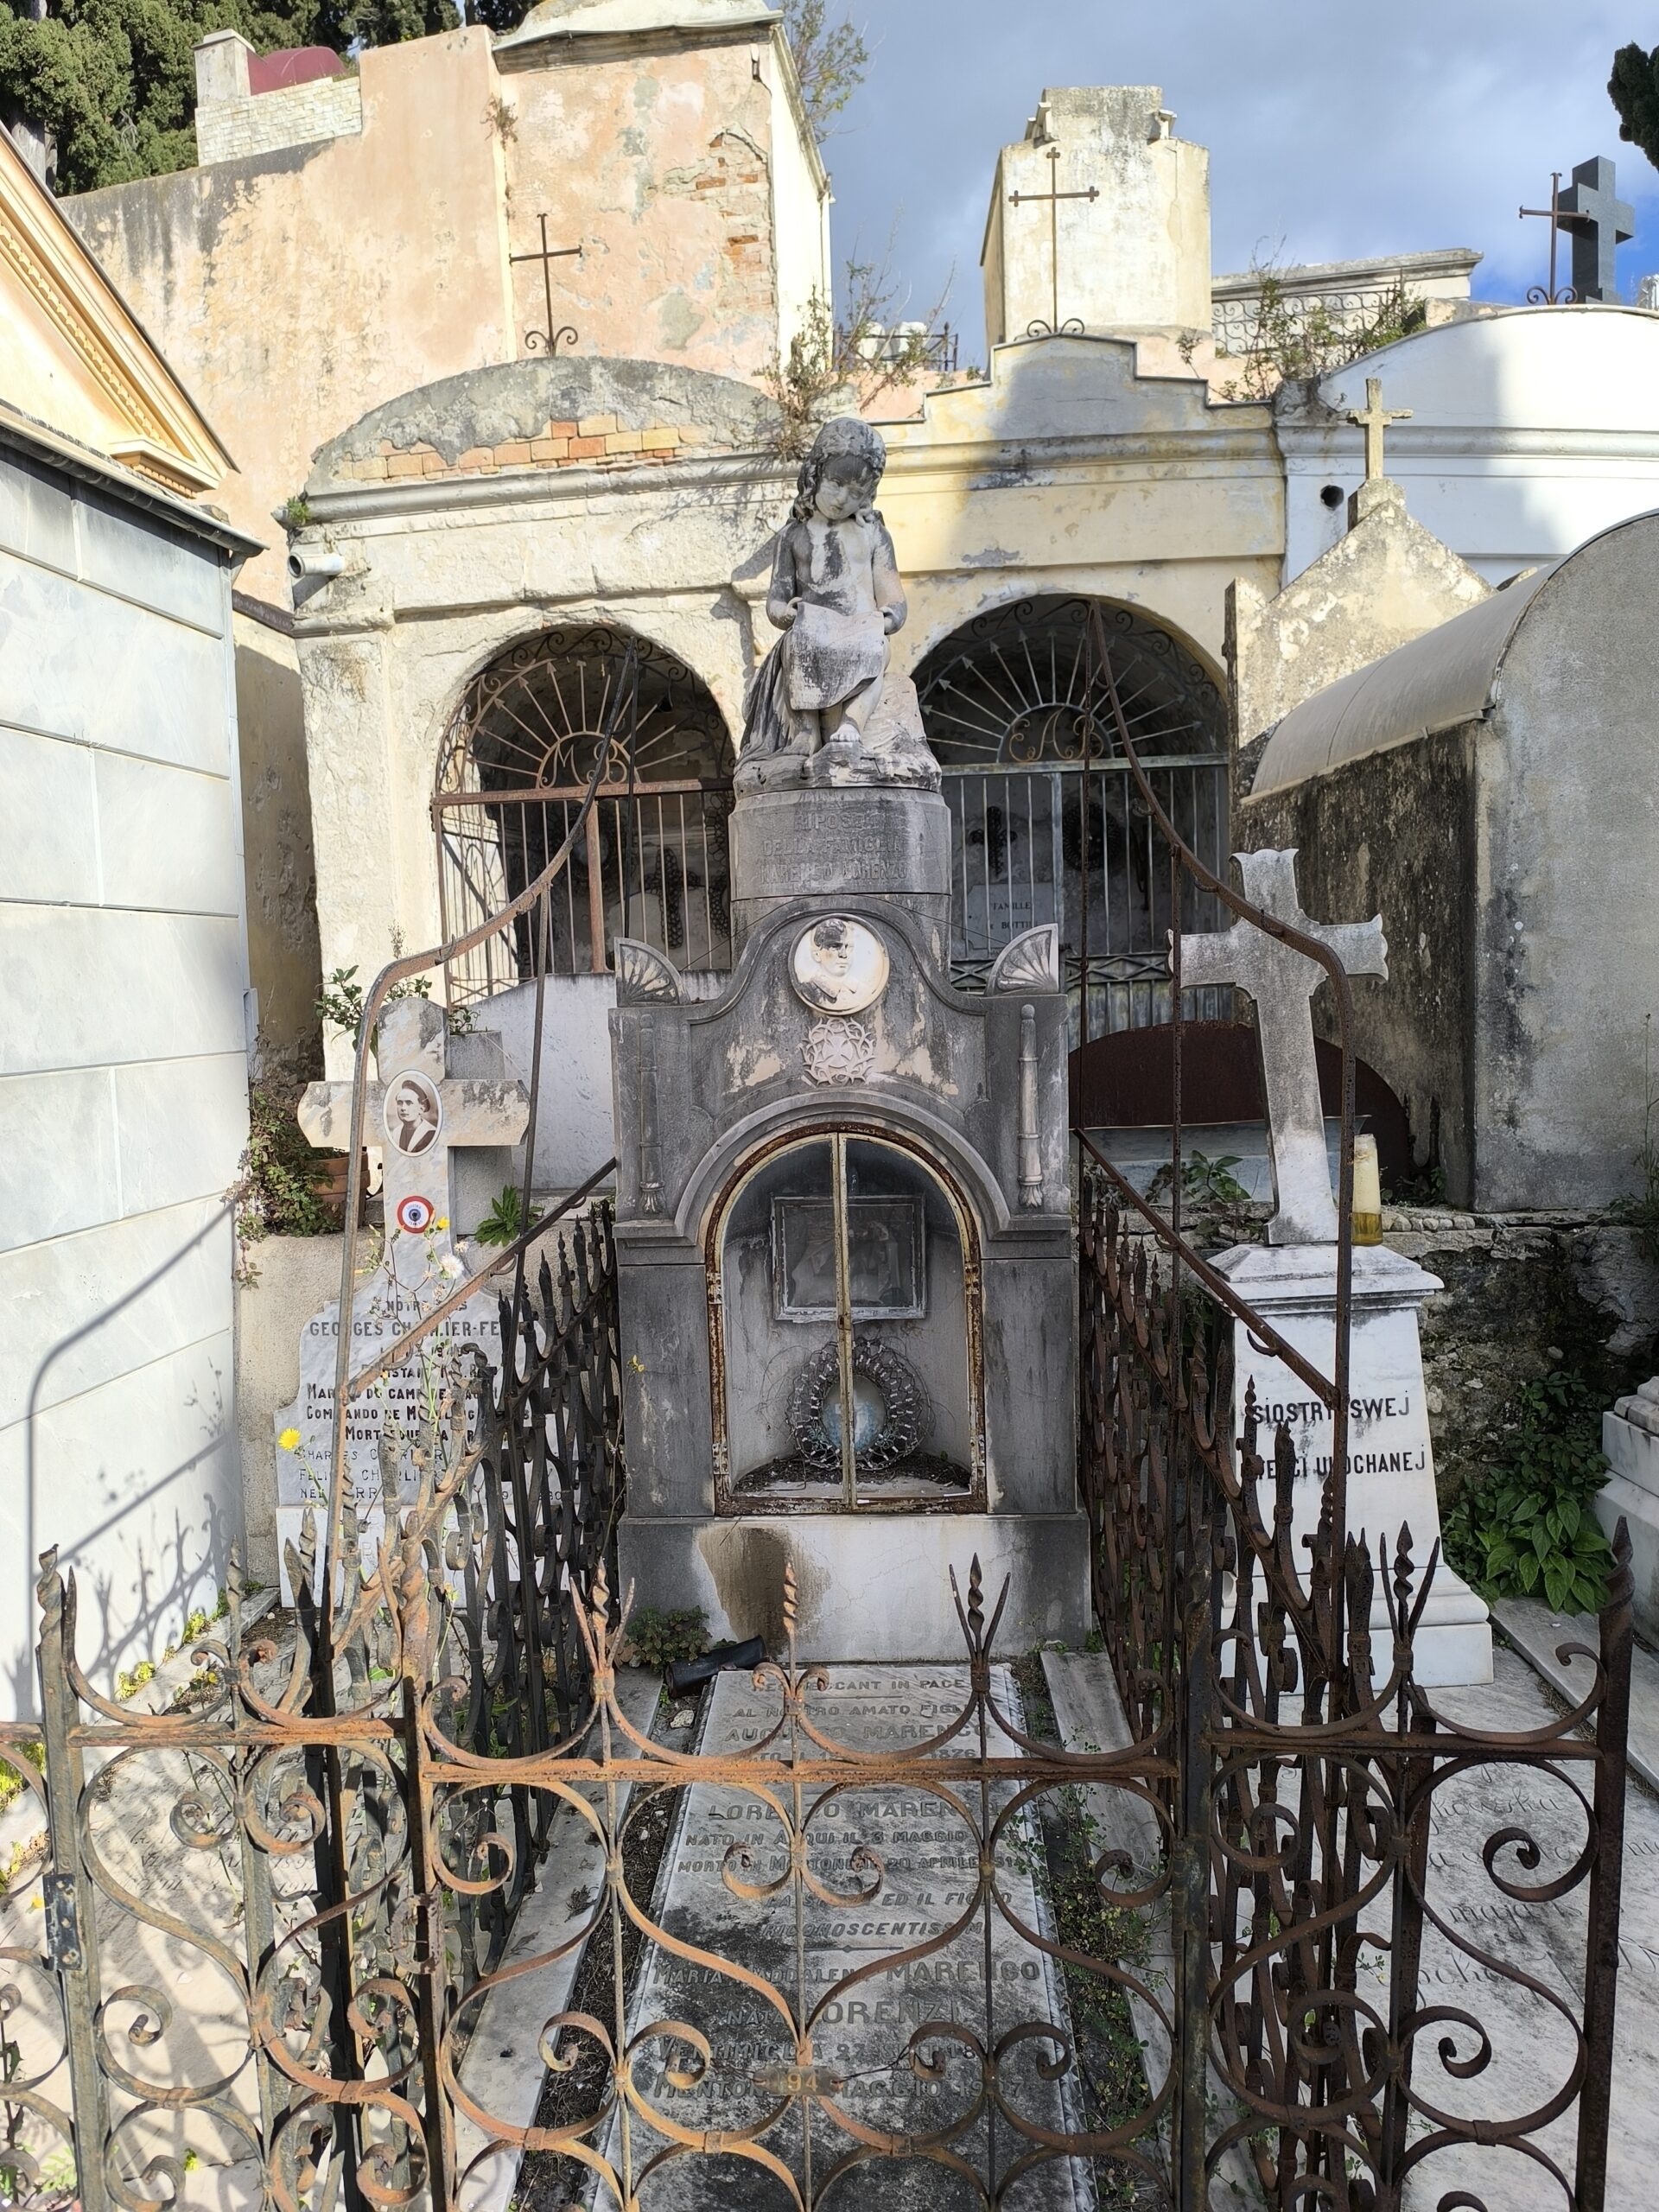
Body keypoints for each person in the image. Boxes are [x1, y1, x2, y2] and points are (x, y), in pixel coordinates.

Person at [739, 417, 906, 782]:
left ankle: (852, 723)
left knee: (877, 649)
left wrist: (889, 617)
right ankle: (807, 731)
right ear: (815, 476)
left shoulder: (874, 534)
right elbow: (777, 598)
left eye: (856, 492)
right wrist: (785, 613)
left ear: (868, 496)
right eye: (836, 484)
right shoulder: (794, 536)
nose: (843, 498)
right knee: (795, 645)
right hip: (812, 627)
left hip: (860, 628)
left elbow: (892, 594)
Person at [388, 1077, 440, 1155]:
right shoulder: (396, 1133)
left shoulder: (431, 1134)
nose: (403, 1108)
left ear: (421, 1108)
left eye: (409, 1103)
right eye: (400, 1103)